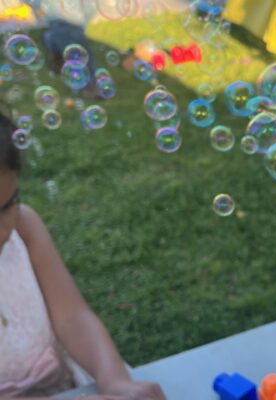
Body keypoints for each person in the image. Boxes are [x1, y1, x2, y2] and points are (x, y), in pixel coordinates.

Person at [0, 113, 166, 399]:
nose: (2, 229)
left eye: (8, 204)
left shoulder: (24, 228)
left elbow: (72, 317)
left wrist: (115, 381)